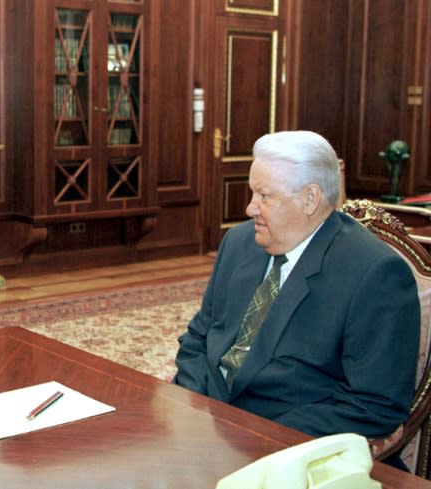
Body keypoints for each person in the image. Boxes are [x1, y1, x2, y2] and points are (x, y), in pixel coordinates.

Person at [174, 131, 420, 455]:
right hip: (204, 426)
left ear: (310, 199)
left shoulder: (375, 274)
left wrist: (262, 438)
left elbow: (375, 404)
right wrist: (191, 407)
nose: (250, 208)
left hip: (283, 450)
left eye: (264, 196)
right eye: (252, 193)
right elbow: (198, 337)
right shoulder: (239, 242)